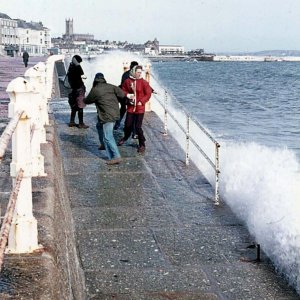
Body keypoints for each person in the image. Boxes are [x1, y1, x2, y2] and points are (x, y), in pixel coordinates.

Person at [84, 73, 125, 165]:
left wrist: (83, 99)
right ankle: (103, 144)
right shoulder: (111, 86)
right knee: (99, 126)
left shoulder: (95, 90)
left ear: (95, 80)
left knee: (108, 136)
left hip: (107, 115)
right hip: (115, 112)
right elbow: (122, 94)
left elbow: (87, 100)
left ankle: (116, 156)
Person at [118, 65, 152, 153]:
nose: (139, 74)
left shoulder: (143, 82)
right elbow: (123, 90)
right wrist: (128, 95)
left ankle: (142, 144)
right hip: (131, 107)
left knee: (137, 127)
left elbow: (148, 94)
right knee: (127, 125)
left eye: (140, 72)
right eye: (138, 72)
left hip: (140, 108)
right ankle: (125, 137)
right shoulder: (127, 81)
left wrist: (142, 101)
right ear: (133, 72)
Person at [114, 60, 139, 131]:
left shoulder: (125, 74)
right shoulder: (134, 75)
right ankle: (132, 130)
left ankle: (117, 124)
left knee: (123, 109)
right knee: (132, 111)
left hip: (122, 94)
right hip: (129, 95)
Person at [67, 55, 89, 128]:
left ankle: (72, 122)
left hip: (73, 89)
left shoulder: (70, 66)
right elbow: (83, 75)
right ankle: (81, 123)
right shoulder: (78, 67)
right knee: (80, 105)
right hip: (79, 88)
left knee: (74, 105)